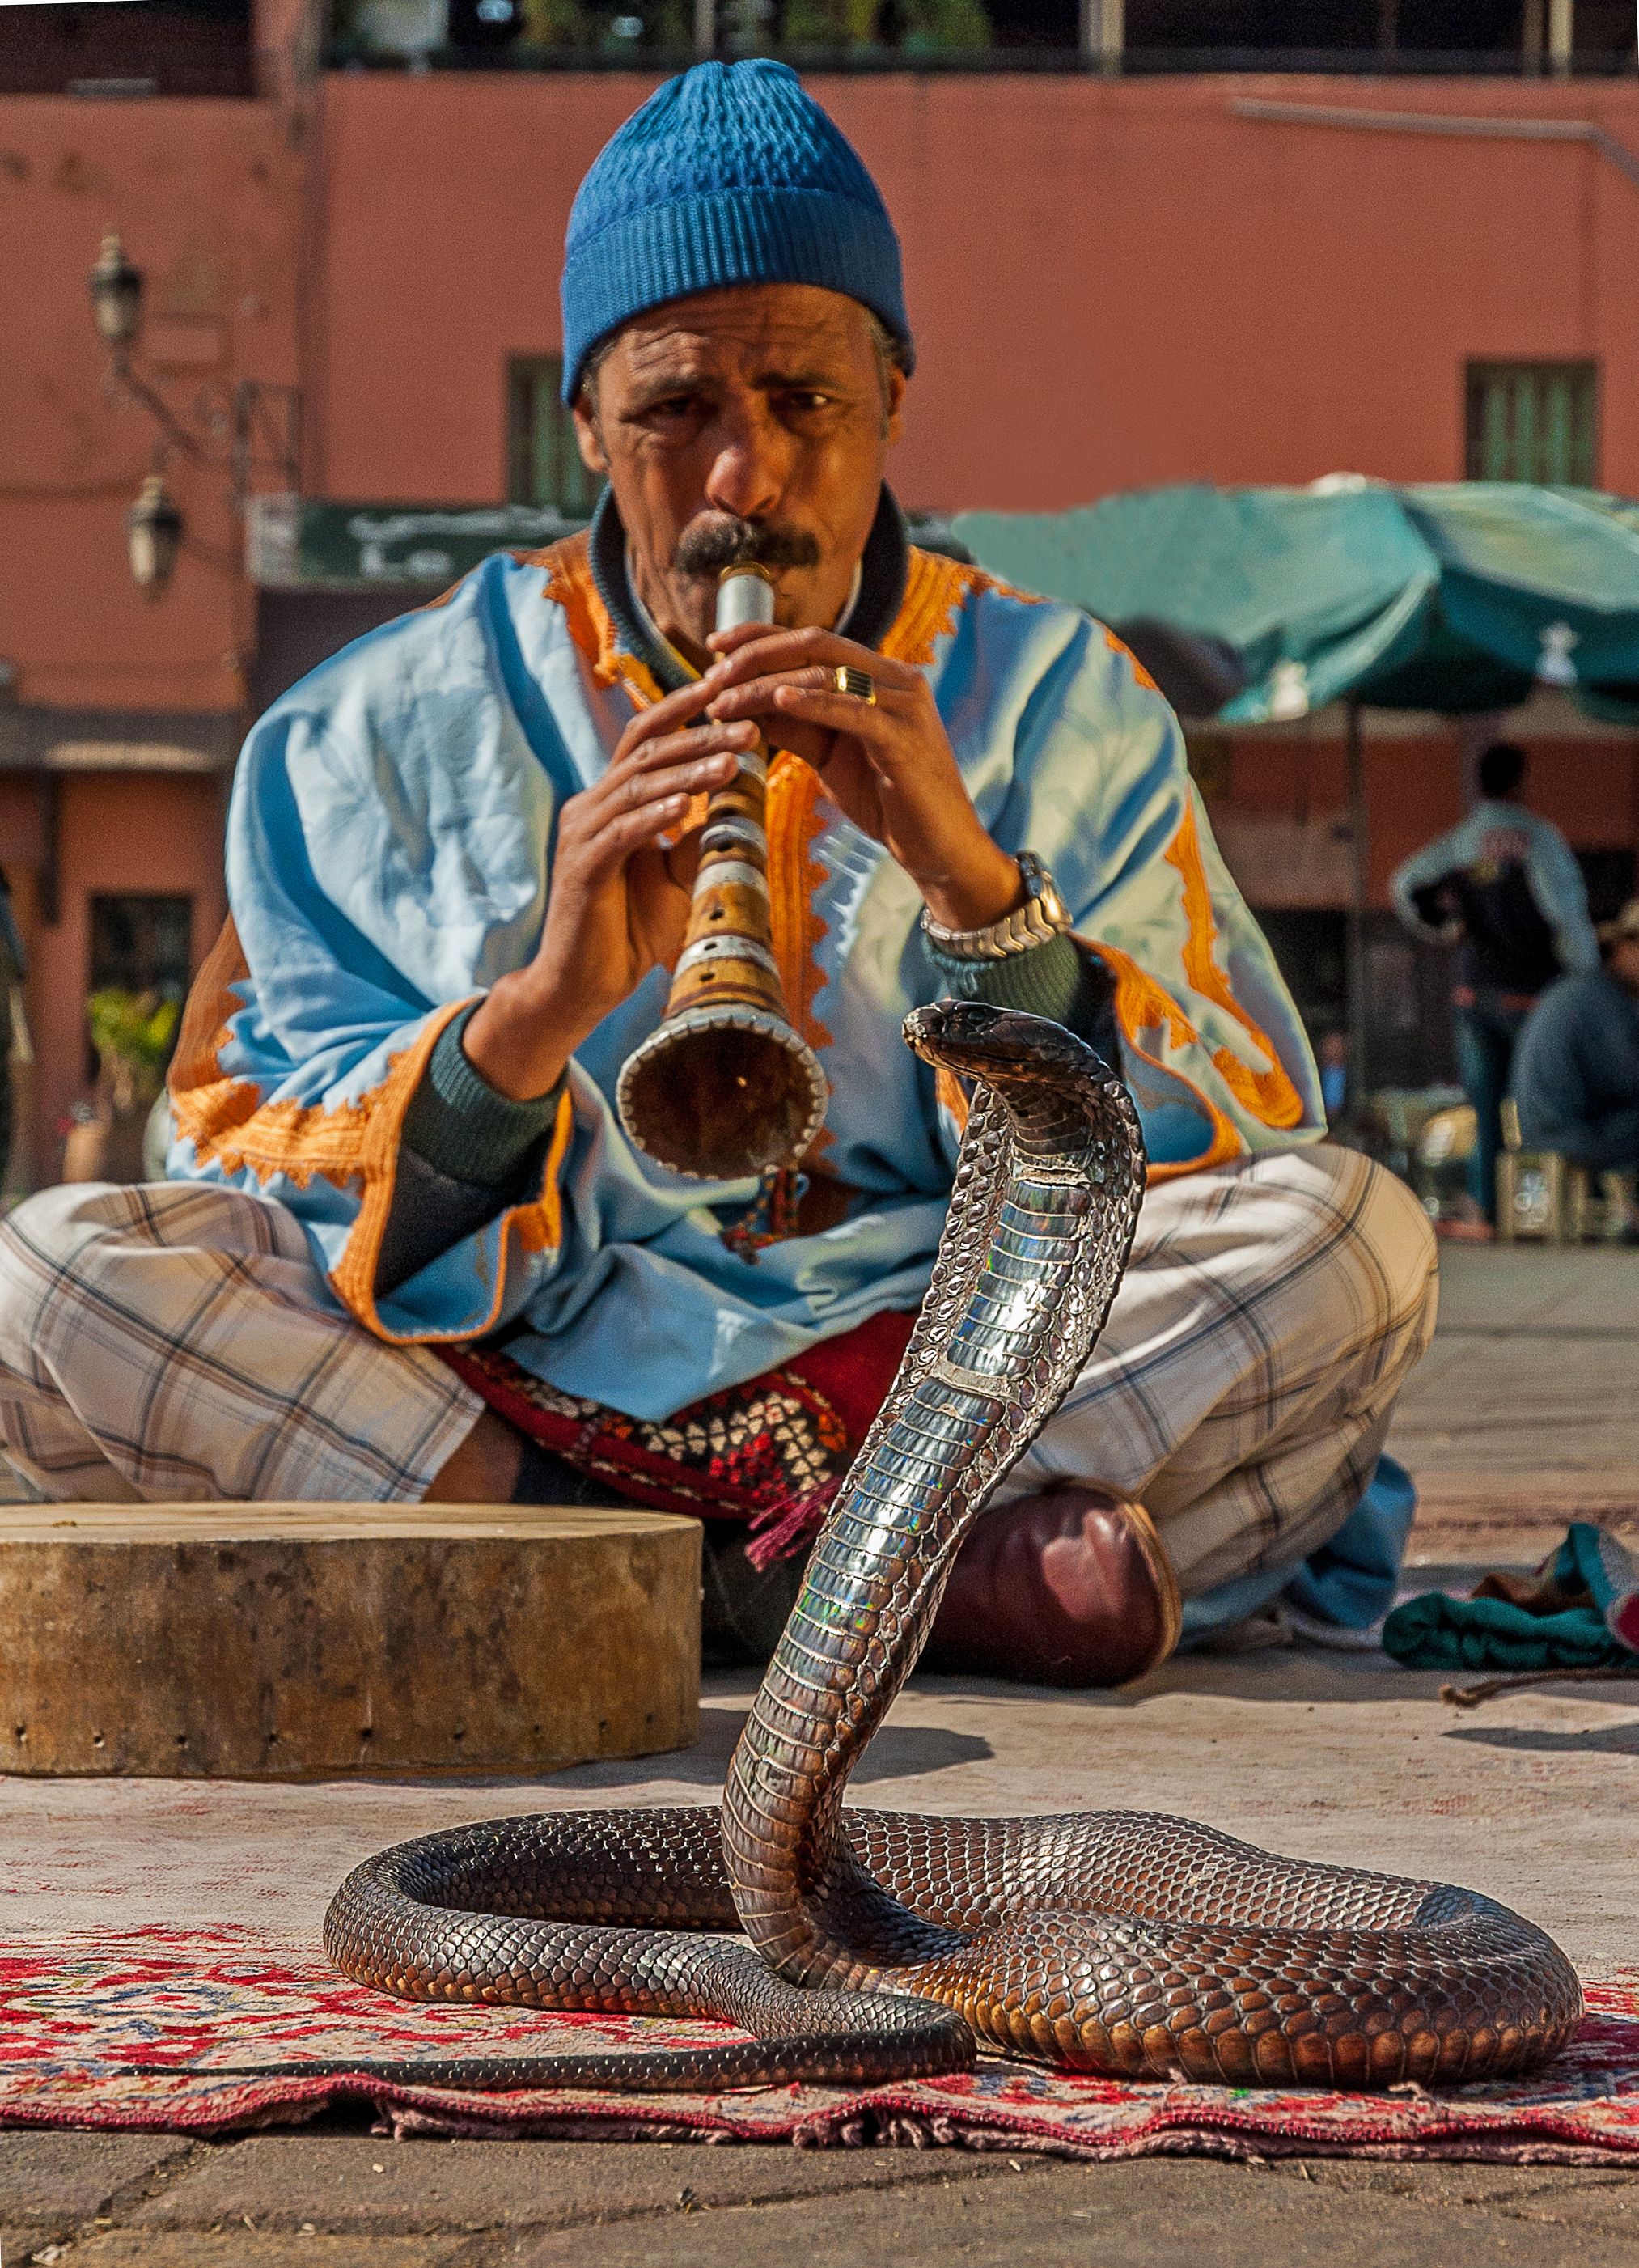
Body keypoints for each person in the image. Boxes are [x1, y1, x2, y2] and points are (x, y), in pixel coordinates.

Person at [0, 61, 1436, 1684]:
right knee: (54, 1282)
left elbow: (1231, 1114)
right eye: (675, 410)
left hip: (947, 1368)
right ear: (587, 430)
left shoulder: (1058, 695)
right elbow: (241, 1140)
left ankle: (644, 1582)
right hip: (519, 1375)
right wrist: (525, 1027)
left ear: (892, 400)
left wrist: (981, 905)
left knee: (1351, 1242)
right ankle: (834, 1585)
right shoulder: (379, 724)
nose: (742, 480)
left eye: (804, 404)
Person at [1391, 741, 1598, 1228]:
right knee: (1538, 1106)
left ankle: (1487, 1211)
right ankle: (1536, 1212)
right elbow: (1564, 915)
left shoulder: (1462, 841)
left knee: (1485, 1109)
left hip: (1472, 994)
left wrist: (1444, 927)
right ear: (1520, 782)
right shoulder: (1540, 841)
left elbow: (1404, 883)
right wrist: (1585, 976)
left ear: (1479, 783)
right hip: (1531, 998)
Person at [1511, 897, 1639, 1237]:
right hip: (1562, 1134)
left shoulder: (1588, 992)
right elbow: (1626, 1080)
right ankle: (1628, 1216)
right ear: (1623, 950)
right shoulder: (1604, 1002)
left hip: (1550, 1126)